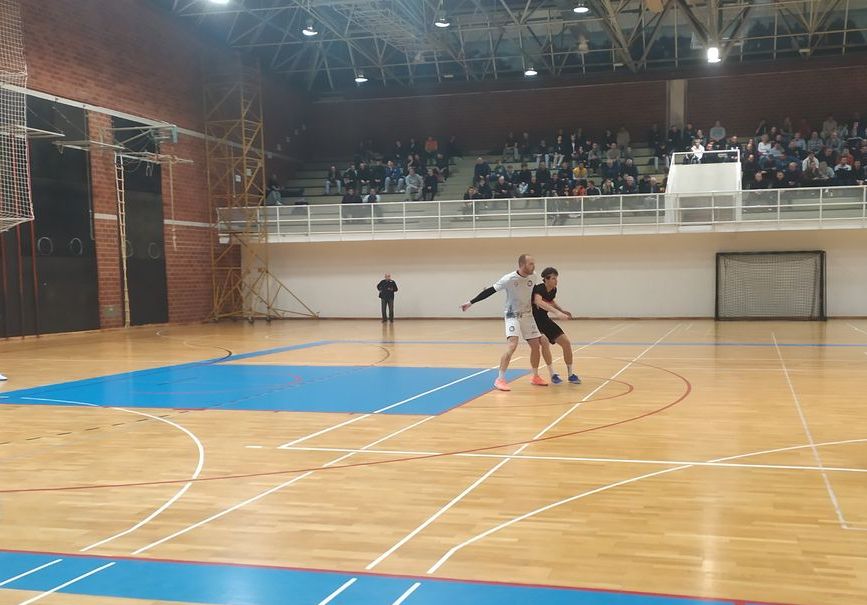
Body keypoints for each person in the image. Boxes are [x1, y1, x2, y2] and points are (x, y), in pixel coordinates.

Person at [460, 254, 547, 391]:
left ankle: (535, 376)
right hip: (512, 314)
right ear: (522, 265)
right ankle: (500, 379)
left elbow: (531, 292)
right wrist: (471, 302)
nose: (533, 266)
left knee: (536, 345)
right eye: (531, 264)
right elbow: (490, 291)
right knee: (512, 345)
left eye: (533, 263)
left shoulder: (533, 276)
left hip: (527, 315)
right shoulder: (509, 279)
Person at [532, 267, 581, 384]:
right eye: (553, 278)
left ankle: (570, 374)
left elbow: (551, 301)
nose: (556, 281)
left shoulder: (553, 289)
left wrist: (561, 310)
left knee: (566, 342)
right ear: (546, 279)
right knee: (544, 342)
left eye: (556, 278)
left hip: (544, 319)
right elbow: (538, 301)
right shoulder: (539, 289)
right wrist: (557, 313)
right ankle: (552, 374)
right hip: (533, 321)